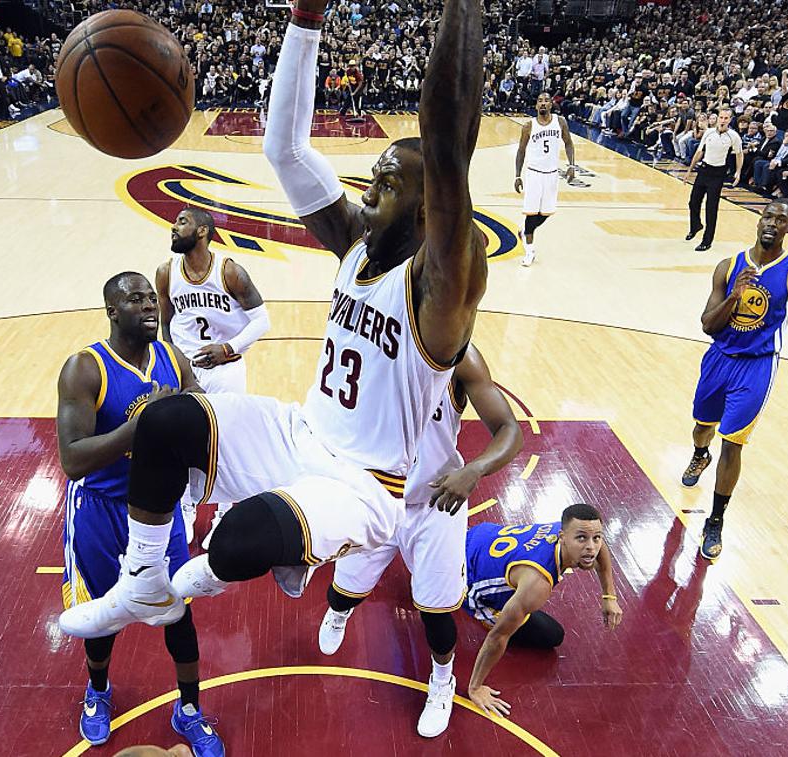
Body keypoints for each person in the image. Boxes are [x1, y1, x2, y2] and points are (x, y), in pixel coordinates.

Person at [58, 0, 488, 643]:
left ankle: (246, 563)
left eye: (388, 185)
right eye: (373, 179)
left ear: (432, 210)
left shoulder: (442, 287)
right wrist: (305, 20)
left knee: (235, 541)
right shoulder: (355, 244)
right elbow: (284, 150)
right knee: (163, 417)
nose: (367, 193)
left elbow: (449, 135)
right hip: (299, 431)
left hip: (366, 483)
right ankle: (143, 580)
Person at [55, 272, 223, 755]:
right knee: (103, 617)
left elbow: (201, 415)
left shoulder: (173, 357)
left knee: (176, 611)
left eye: (152, 298)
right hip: (101, 512)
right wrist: (143, 425)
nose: (149, 305)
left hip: (159, 511)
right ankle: (99, 692)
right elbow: (72, 459)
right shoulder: (85, 368)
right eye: (135, 299)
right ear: (111, 310)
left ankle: (189, 708)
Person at [316, 345, 522, 738]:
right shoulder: (371, 342)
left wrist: (475, 470)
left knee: (436, 611)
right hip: (377, 494)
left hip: (437, 501)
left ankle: (442, 682)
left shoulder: (460, 357)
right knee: (343, 593)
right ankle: (339, 613)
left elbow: (510, 430)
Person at [681, 200, 788, 560]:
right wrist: (734, 296)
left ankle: (715, 519)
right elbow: (708, 325)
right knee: (702, 426)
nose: (773, 223)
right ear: (759, 221)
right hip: (719, 358)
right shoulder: (728, 266)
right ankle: (699, 454)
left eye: (782, 219)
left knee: (732, 443)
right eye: (768, 216)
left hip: (758, 366)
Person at [156, 206, 271, 547]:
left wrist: (228, 348)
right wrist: (174, 362)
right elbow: (168, 324)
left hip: (226, 368)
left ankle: (223, 512)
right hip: (188, 371)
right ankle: (188, 508)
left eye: (182, 222)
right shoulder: (166, 273)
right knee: (183, 442)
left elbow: (263, 320)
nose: (173, 228)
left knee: (226, 444)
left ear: (203, 231)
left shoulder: (230, 272)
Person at [464, 504, 623, 717]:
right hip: (465, 574)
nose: (591, 548)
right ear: (563, 537)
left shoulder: (571, 529)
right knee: (548, 635)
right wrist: (475, 688)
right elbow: (497, 637)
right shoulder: (537, 584)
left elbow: (600, 548)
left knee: (547, 630)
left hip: (478, 536)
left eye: (597, 538)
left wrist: (609, 597)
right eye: (582, 539)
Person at [514, 92, 576, 267]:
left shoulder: (560, 122)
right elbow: (520, 151)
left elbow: (569, 143)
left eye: (546, 101)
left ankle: (524, 231)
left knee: (546, 213)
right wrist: (518, 175)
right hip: (534, 173)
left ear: (551, 105)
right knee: (531, 213)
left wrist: (571, 165)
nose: (543, 103)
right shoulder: (528, 126)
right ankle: (529, 250)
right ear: (536, 106)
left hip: (552, 174)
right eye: (540, 101)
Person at [684, 107, 743, 251]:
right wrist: (689, 170)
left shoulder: (734, 136)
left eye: (726, 118)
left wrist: (738, 172)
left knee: (711, 208)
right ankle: (695, 225)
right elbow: (700, 151)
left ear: (730, 120)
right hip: (704, 169)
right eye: (721, 117)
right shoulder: (709, 132)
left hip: (718, 173)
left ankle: (707, 240)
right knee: (693, 202)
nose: (722, 120)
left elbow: (739, 154)